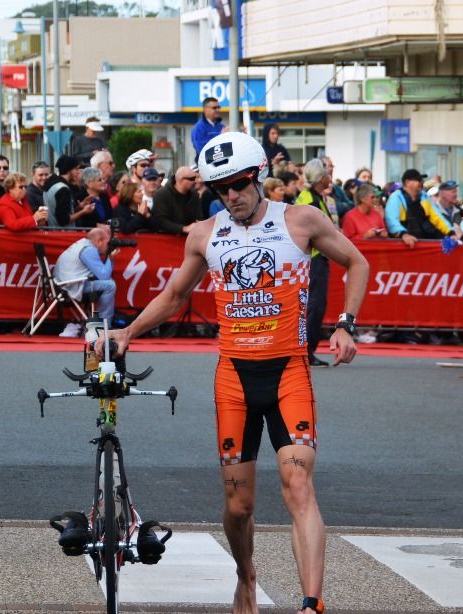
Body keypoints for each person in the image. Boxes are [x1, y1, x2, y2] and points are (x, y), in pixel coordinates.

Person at [97, 131, 368, 614]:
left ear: (259, 175)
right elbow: (176, 294)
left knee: (298, 485)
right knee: (239, 505)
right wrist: (128, 331)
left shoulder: (301, 219)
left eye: (240, 185)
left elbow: (356, 261)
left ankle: (311, 603)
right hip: (235, 379)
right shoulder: (205, 232)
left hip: (288, 372)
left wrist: (346, 324)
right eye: (221, 188)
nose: (232, 196)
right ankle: (246, 576)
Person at [296, 158, 339, 368]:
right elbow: (318, 232)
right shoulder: (310, 200)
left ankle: (306, 350)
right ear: (320, 178)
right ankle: (306, 351)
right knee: (315, 306)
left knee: (315, 306)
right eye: (327, 172)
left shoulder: (314, 197)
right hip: (312, 259)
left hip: (314, 258)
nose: (330, 175)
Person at [54, 225, 117, 337]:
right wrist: (110, 258)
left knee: (107, 283)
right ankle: (103, 328)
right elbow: (104, 276)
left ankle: (99, 324)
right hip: (71, 287)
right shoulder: (89, 250)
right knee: (110, 285)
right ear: (99, 241)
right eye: (108, 244)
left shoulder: (82, 244)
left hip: (63, 284)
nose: (109, 247)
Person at [384, 169, 451, 247]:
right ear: (407, 182)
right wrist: (403, 235)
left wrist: (451, 232)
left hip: (423, 243)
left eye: (421, 180)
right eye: (418, 180)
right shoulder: (396, 197)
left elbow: (438, 217)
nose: (421, 182)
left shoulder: (424, 197)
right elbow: (391, 220)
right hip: (403, 245)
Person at [43, 155, 94, 228]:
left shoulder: (51, 185)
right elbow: (63, 220)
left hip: (53, 232)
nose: (78, 172)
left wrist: (79, 207)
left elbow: (60, 212)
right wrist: (83, 212)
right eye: (76, 169)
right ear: (69, 170)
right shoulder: (63, 189)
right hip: (63, 234)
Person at [151, 166, 203, 234]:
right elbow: (160, 221)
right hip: (166, 239)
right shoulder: (161, 194)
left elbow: (199, 218)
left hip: (189, 238)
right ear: (180, 179)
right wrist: (183, 229)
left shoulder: (194, 195)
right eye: (192, 179)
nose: (196, 181)